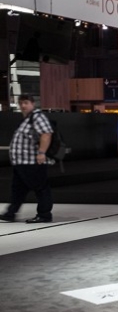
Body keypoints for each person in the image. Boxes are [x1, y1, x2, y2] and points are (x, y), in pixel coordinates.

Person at [1, 94, 54, 224]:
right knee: (18, 189)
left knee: (41, 188)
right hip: (21, 162)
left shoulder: (37, 116)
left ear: (32, 104)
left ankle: (44, 215)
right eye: (21, 103)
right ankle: (10, 213)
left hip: (32, 162)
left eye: (25, 103)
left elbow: (46, 134)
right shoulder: (27, 119)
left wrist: (41, 153)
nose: (23, 106)